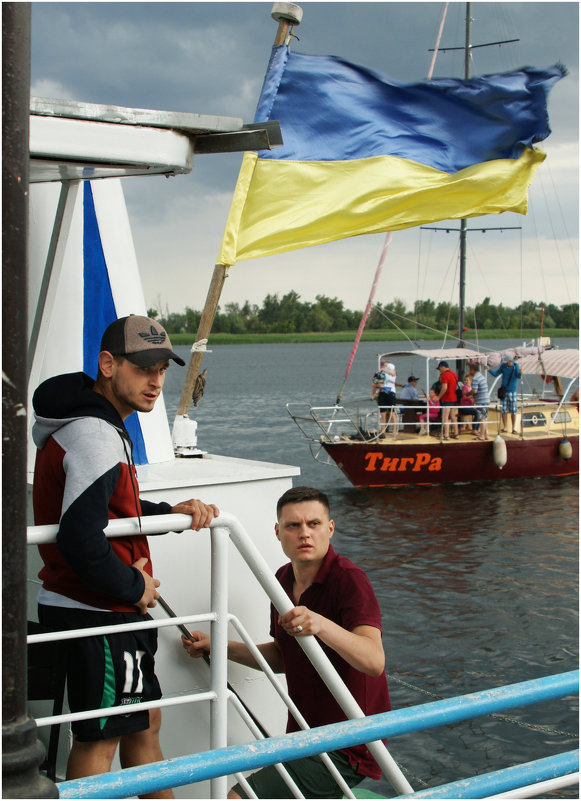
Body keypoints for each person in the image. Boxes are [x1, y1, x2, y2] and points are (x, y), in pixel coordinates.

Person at [32, 314, 220, 795]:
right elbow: (79, 536)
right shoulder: (95, 434)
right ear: (108, 364)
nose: (155, 381)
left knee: (143, 725)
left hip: (97, 608)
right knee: (101, 740)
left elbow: (104, 506)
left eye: (161, 368)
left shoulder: (89, 423)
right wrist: (133, 586)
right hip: (99, 612)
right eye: (143, 367)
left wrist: (165, 511)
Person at [182, 486, 391, 799]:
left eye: (314, 524)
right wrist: (217, 646)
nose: (304, 534)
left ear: (330, 529)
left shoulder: (349, 580)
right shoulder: (282, 580)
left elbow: (374, 661)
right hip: (304, 738)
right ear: (278, 532)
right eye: (293, 526)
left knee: (240, 797)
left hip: (349, 746)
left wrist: (320, 624)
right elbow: (282, 657)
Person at [487, 355, 522, 434]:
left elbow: (518, 376)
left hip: (512, 391)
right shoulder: (503, 366)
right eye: (506, 362)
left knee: (513, 410)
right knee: (504, 410)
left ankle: (513, 428)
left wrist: (520, 373)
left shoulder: (515, 367)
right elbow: (496, 374)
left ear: (511, 361)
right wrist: (489, 370)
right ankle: (505, 427)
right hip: (504, 391)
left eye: (508, 362)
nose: (506, 364)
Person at [371, 358, 397, 435]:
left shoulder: (393, 372)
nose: (385, 367)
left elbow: (392, 373)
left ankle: (394, 430)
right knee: (383, 413)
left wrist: (383, 369)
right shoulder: (381, 374)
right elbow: (375, 383)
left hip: (391, 392)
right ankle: (383, 429)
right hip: (382, 393)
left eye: (386, 366)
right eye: (384, 366)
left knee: (392, 412)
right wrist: (373, 394)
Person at [467, 362, 490, 441]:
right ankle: (486, 435)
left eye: (469, 370)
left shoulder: (476, 378)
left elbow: (474, 391)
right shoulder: (482, 376)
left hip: (481, 401)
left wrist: (467, 394)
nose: (469, 371)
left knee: (481, 419)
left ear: (472, 370)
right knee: (485, 418)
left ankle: (482, 436)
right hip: (486, 400)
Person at [435, 361, 459, 439]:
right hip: (454, 398)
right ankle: (456, 434)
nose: (439, 370)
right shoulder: (454, 375)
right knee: (453, 416)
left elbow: (444, 388)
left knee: (445, 417)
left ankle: (446, 435)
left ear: (443, 367)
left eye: (440, 368)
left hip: (447, 399)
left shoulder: (444, 375)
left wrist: (438, 397)